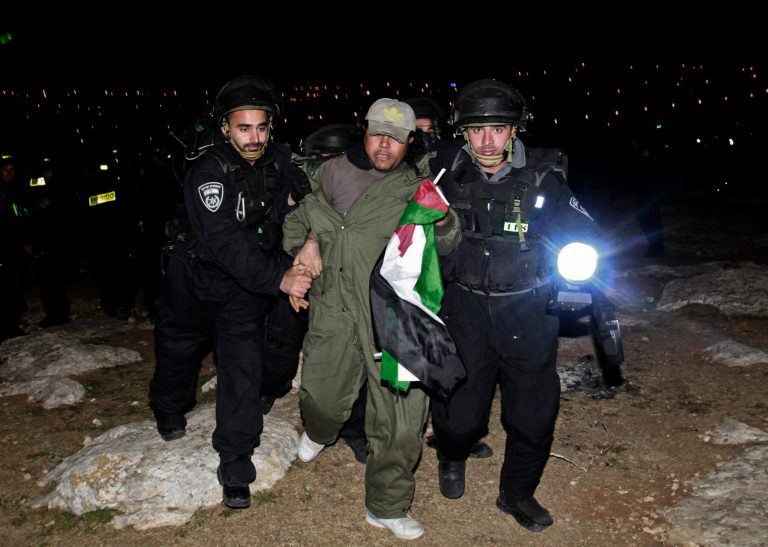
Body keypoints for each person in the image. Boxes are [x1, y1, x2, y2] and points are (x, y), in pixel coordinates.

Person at [282, 98, 460, 540]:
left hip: (395, 315)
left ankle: (387, 506)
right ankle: (320, 431)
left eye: (396, 138)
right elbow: (295, 223)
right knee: (321, 401)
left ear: (410, 141)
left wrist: (441, 220)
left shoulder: (416, 183)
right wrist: (306, 245)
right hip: (335, 307)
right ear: (363, 130)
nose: (385, 145)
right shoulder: (324, 173)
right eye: (378, 133)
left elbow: (447, 241)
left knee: (401, 420)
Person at [430, 79, 603, 532]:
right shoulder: (446, 172)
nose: (487, 141)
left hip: (528, 310)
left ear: (515, 130)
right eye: (476, 130)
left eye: (498, 129)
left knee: (532, 413)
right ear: (463, 133)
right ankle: (452, 453)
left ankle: (517, 492)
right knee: (458, 413)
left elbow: (584, 229)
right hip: (464, 307)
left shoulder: (545, 177)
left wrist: (579, 258)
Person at [149, 74, 313, 510]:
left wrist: (308, 234)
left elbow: (310, 197)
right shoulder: (208, 171)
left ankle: (236, 459)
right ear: (225, 128)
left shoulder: (280, 160)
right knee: (179, 349)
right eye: (244, 128)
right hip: (195, 278)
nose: (254, 138)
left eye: (261, 127)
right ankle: (168, 406)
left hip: (243, 287)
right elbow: (224, 241)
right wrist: (279, 279)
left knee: (242, 363)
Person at [406, 96, 495, 460]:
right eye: (417, 132)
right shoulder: (399, 164)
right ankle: (413, 426)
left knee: (454, 353)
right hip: (410, 267)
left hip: (450, 269)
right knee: (416, 349)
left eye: (430, 130)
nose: (425, 138)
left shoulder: (453, 160)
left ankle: (453, 430)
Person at [0, 155, 31, 341]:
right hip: (2, 248)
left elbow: (21, 218)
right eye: (6, 169)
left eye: (12, 170)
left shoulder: (17, 191)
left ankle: (13, 325)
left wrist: (25, 241)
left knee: (16, 286)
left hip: (16, 247)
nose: (9, 173)